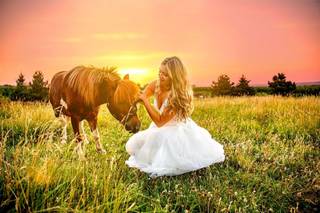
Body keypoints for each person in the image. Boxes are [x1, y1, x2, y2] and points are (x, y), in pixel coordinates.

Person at [125, 56, 225, 177]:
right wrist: (135, 97)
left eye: (165, 75)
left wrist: (145, 101)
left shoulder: (176, 96)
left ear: (174, 77)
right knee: (135, 145)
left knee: (163, 152)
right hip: (157, 130)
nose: (161, 76)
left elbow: (160, 121)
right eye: (159, 72)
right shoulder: (156, 84)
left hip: (175, 131)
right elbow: (141, 95)